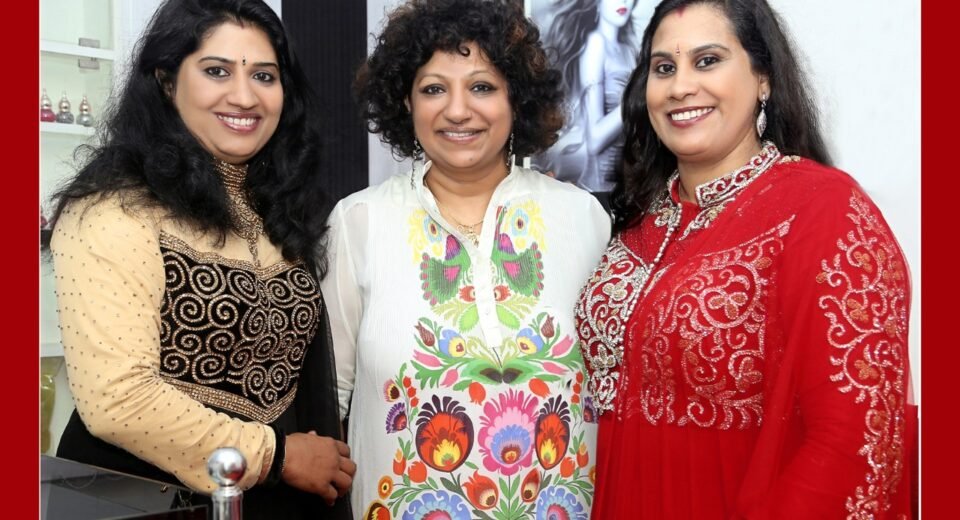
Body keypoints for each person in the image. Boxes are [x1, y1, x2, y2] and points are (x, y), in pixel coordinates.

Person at [574, 0, 916, 518]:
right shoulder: (640, 225)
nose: (680, 86)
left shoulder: (822, 210)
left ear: (763, 78)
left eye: (707, 61)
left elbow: (855, 443)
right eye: (664, 68)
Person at [48, 0, 354, 518]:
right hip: (142, 497)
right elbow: (117, 400)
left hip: (268, 498)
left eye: (264, 75)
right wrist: (276, 455)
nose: (245, 96)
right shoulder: (113, 208)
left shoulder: (276, 208)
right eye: (217, 71)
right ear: (167, 81)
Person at [326, 0, 612, 517]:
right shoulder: (358, 222)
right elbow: (331, 400)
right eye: (434, 89)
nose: (458, 110)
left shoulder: (583, 217)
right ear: (405, 102)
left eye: (482, 87)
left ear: (515, 98)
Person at [533, 0, 640, 192]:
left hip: (626, 190)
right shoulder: (596, 44)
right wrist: (636, 99)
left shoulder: (629, 50)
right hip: (598, 190)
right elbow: (595, 140)